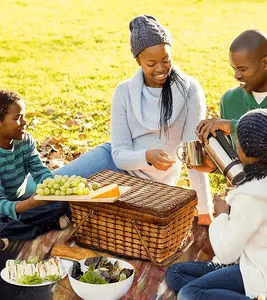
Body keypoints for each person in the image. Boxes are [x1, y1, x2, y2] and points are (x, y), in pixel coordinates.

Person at [40, 15, 212, 224]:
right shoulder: (124, 92)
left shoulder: (190, 91)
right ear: (138, 61)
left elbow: (193, 158)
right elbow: (119, 154)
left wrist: (205, 212)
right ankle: (10, 217)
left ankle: (54, 219)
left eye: (166, 60)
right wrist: (147, 156)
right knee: (46, 189)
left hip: (151, 186)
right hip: (113, 162)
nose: (160, 68)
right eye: (151, 63)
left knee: (79, 210)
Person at [166, 108, 267, 300]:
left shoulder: (251, 197)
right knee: (175, 273)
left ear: (244, 151)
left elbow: (226, 252)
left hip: (260, 276)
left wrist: (222, 215)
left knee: (189, 293)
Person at [195, 29, 267, 172]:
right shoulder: (230, 100)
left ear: (266, 63)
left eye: (242, 69)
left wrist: (235, 127)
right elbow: (239, 162)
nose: (236, 75)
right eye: (234, 68)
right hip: (249, 190)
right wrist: (215, 167)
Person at [0, 90, 70, 240]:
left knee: (62, 204)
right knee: (2, 224)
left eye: (24, 116)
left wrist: (53, 189)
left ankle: (18, 229)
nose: (25, 122)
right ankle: (44, 226)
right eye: (17, 118)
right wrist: (30, 204)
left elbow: (40, 172)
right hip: (5, 207)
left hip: (20, 202)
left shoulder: (25, 141)